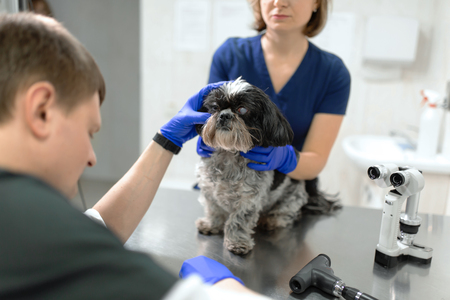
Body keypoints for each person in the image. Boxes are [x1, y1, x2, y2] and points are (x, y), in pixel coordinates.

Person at [0, 13, 272, 300]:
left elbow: (95, 226)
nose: (91, 158)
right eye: (89, 131)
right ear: (42, 110)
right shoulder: (22, 221)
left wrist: (166, 141)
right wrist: (222, 287)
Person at [198, 0, 351, 185]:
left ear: (316, 3)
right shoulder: (230, 55)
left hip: (286, 193)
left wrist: (286, 158)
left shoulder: (332, 73)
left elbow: (315, 160)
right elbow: (210, 124)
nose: (279, 2)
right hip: (222, 185)